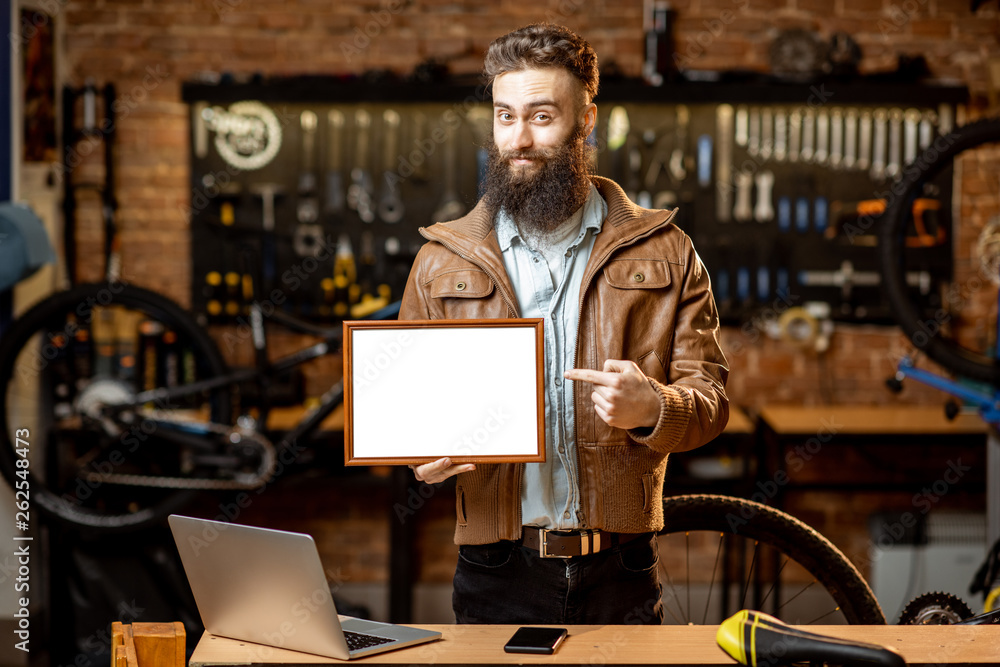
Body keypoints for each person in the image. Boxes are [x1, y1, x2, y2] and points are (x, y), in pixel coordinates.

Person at [400, 23, 729, 625]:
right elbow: (410, 412)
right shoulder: (439, 261)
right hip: (494, 570)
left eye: (542, 116)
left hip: (620, 569)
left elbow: (710, 403)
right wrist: (421, 455)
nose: (518, 139)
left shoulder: (667, 251)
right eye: (505, 116)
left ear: (587, 120)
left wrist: (654, 408)